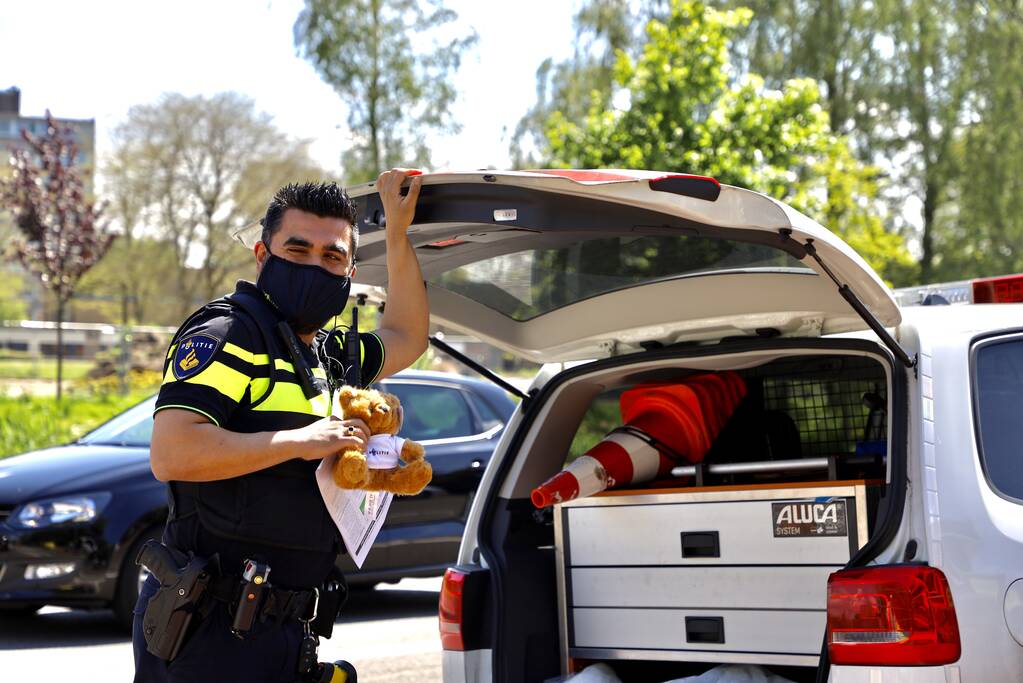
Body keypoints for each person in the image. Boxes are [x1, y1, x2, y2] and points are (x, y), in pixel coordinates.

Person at [133, 169, 428, 683]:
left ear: (350, 271)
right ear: (263, 255)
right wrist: (302, 441)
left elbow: (407, 333)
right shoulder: (229, 334)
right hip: (209, 628)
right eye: (298, 251)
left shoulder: (330, 356)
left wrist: (398, 235)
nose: (316, 266)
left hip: (287, 630)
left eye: (332, 257)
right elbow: (173, 452)